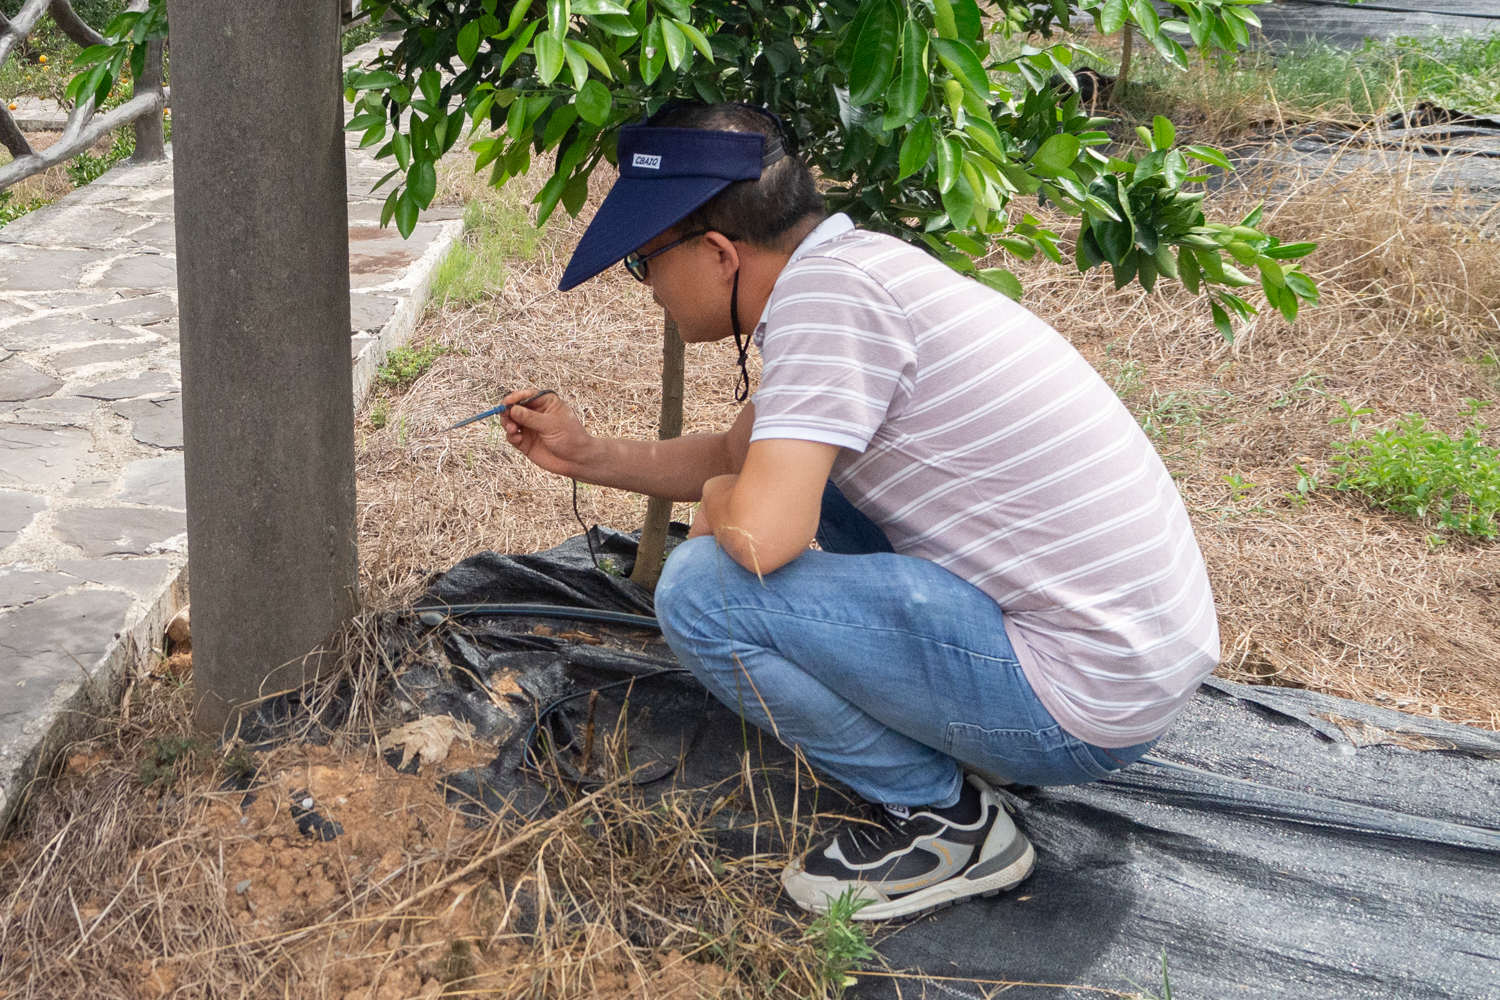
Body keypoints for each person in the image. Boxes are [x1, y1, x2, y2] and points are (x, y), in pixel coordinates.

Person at [498, 103, 1220, 922]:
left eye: (644, 264)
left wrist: (720, 506)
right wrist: (588, 455)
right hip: (1130, 660)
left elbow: (759, 534)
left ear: (716, 253)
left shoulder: (828, 305)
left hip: (1085, 699)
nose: (647, 287)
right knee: (796, 484)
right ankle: (966, 740)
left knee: (702, 588)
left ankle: (948, 823)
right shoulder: (851, 272)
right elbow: (742, 459)